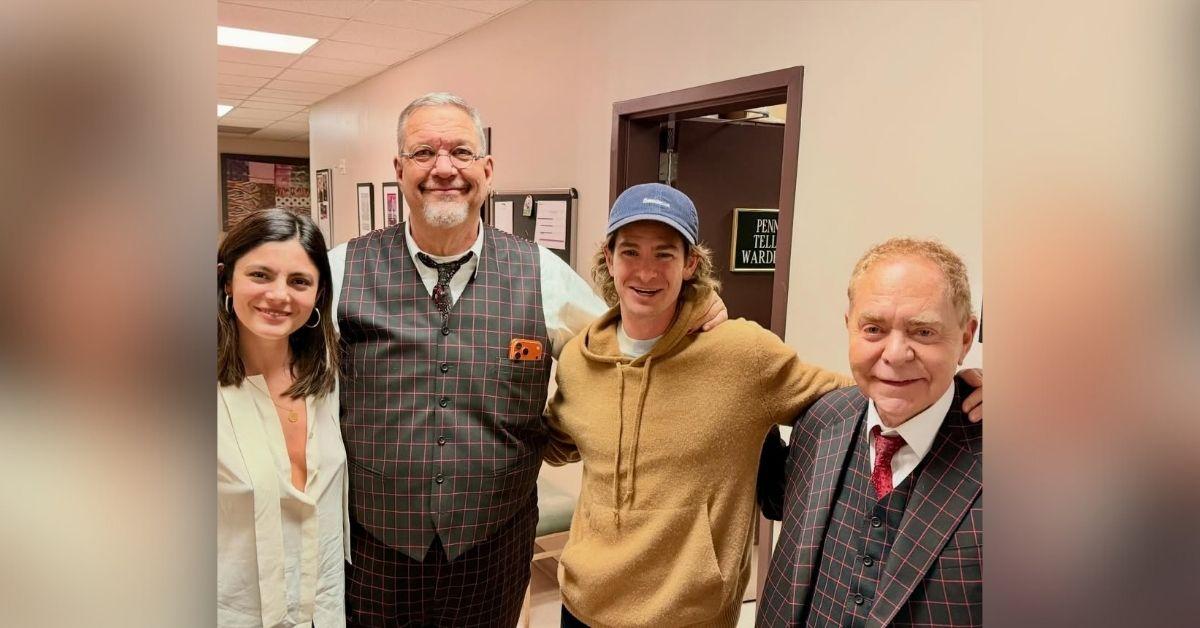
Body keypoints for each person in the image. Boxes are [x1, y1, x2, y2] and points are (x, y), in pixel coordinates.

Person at [327, 93, 726, 627]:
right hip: (375, 543)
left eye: (462, 153)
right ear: (399, 169)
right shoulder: (341, 270)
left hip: (493, 544)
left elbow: (623, 353)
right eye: (424, 153)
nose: (444, 168)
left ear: (487, 170)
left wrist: (694, 305)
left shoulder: (542, 272)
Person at [541, 186, 982, 628]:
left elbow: (867, 391)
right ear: (609, 258)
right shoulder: (580, 359)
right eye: (631, 252)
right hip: (585, 603)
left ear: (690, 263)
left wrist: (961, 387)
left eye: (665, 254)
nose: (646, 271)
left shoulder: (741, 353)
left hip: (689, 614)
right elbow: (558, 441)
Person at [757, 238, 983, 627]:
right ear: (849, 327)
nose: (895, 354)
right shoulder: (822, 420)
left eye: (923, 332)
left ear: (964, 338)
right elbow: (781, 502)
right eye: (874, 329)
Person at [217, 209, 348, 628]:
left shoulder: (329, 376)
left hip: (321, 609)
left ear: (318, 293)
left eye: (299, 281)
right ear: (225, 280)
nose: (279, 295)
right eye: (260, 275)